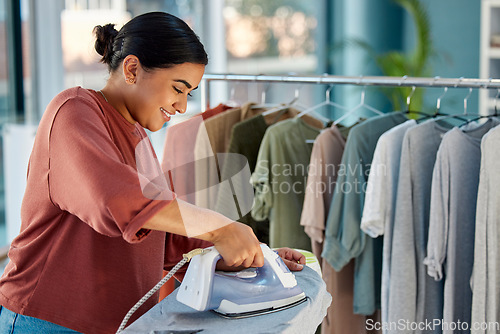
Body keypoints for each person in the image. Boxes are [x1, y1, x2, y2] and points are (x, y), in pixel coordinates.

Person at [0, 12, 306, 333]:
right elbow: (115, 199)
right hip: (47, 319)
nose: (182, 106)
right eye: (178, 88)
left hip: (117, 324)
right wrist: (222, 228)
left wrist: (250, 256)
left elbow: (167, 242)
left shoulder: (140, 137)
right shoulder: (74, 111)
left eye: (189, 93)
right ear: (132, 69)